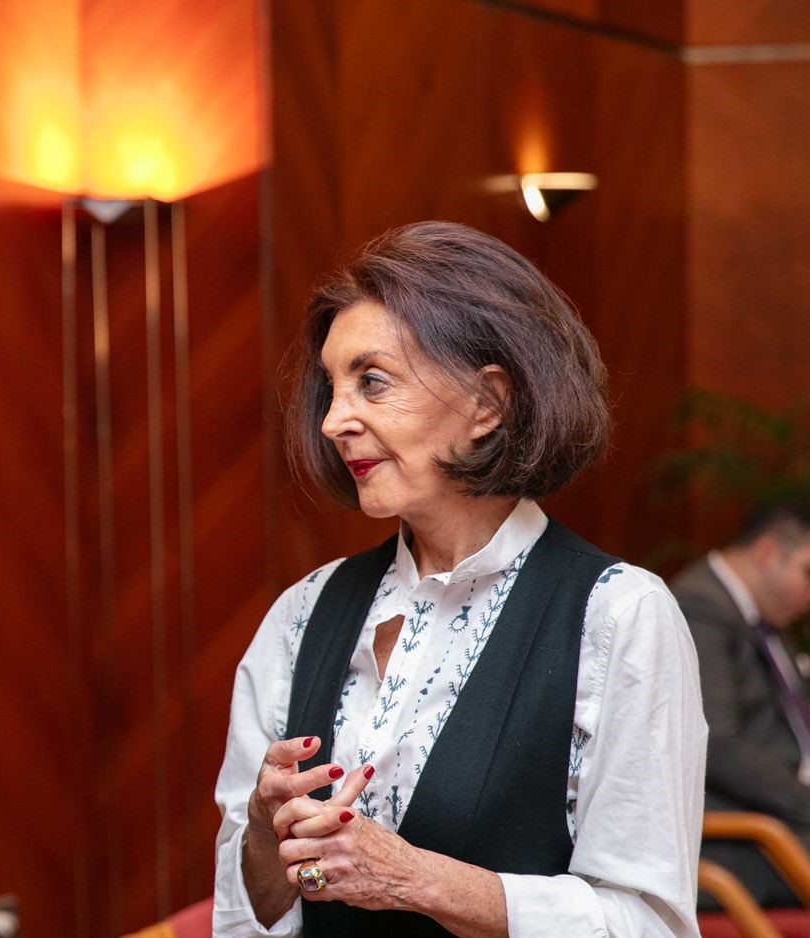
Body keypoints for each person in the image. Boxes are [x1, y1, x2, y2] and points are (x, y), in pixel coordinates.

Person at [212, 221, 707, 937]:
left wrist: (416, 880)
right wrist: (264, 834)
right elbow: (242, 913)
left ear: (487, 404)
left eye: (372, 382)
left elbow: (647, 924)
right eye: (332, 388)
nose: (333, 421)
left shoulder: (619, 617)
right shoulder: (302, 613)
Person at [672, 503, 810, 938]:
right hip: (740, 835)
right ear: (769, 552)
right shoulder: (700, 608)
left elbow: (797, 744)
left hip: (781, 817)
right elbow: (718, 745)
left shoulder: (757, 615)